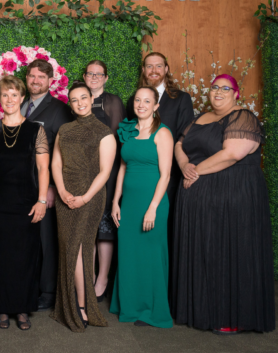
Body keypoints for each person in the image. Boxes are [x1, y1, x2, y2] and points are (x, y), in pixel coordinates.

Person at [170, 74, 275, 334]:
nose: (218, 92)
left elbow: (231, 154)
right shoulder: (200, 118)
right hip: (200, 196)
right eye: (214, 87)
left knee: (229, 251)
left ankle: (231, 315)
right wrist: (184, 165)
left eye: (225, 88)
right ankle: (201, 310)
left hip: (233, 195)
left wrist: (194, 172)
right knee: (205, 253)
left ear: (236, 93)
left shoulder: (243, 117)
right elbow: (179, 144)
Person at [0, 75, 49, 331]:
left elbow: (43, 168)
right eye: (5, 95)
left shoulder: (35, 130)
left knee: (24, 256)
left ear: (22, 98)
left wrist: (42, 200)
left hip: (26, 203)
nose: (9, 99)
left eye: (14, 95)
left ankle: (22, 308)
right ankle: (1, 308)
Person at [49, 82, 116, 332]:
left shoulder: (104, 132)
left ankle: (81, 305)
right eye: (75, 99)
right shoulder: (64, 130)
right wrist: (63, 191)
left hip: (90, 195)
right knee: (69, 247)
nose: (80, 103)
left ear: (91, 99)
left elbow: (105, 171)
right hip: (66, 194)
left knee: (79, 247)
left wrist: (85, 198)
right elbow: (55, 164)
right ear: (70, 103)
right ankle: (74, 303)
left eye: (84, 98)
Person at [110, 86, 174, 328]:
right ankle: (129, 305)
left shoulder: (162, 133)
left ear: (156, 106)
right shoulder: (128, 130)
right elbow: (123, 167)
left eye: (147, 101)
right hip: (130, 202)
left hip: (152, 201)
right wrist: (116, 201)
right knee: (128, 254)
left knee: (150, 256)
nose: (141, 104)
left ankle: (150, 310)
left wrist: (153, 208)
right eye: (138, 100)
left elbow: (166, 174)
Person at [127, 52, 194, 280]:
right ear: (144, 70)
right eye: (148, 66)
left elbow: (186, 135)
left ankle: (168, 290)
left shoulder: (181, 98)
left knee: (165, 235)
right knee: (142, 236)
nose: (153, 70)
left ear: (166, 69)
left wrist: (184, 167)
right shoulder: (135, 99)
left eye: (158, 66)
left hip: (171, 177)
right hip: (142, 180)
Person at [21, 59, 75, 312]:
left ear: (50, 81)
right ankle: (29, 284)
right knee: (27, 237)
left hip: (46, 185)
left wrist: (54, 185)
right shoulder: (21, 105)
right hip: (22, 184)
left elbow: (64, 150)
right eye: (31, 76)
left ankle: (49, 290)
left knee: (46, 239)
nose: (35, 80)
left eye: (41, 77)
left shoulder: (60, 109)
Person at [82, 60, 126, 303]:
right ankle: (86, 276)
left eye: (99, 74)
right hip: (81, 172)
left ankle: (102, 279)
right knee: (86, 225)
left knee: (104, 228)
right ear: (85, 76)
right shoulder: (78, 98)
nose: (95, 77)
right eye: (91, 73)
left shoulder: (113, 102)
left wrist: (104, 170)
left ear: (106, 78)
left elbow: (116, 139)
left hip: (105, 170)